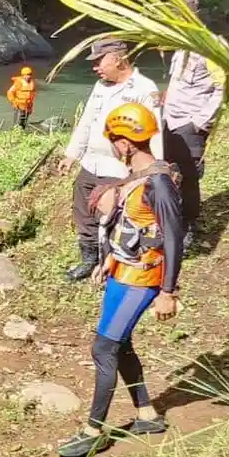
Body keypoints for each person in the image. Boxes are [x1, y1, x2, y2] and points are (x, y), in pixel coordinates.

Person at [58, 103, 182, 457]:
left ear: (127, 143)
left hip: (142, 279)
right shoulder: (139, 178)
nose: (113, 146)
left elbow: (173, 237)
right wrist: (108, 259)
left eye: (114, 140)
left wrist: (168, 292)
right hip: (123, 271)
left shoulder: (158, 183)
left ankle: (93, 430)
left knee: (103, 348)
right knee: (120, 344)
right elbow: (135, 230)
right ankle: (146, 414)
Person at [58, 38, 164, 282]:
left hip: (119, 168)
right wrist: (71, 154)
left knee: (113, 216)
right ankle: (88, 259)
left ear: (118, 59)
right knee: (84, 210)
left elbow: (155, 133)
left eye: (99, 61)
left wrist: (153, 169)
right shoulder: (100, 86)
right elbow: (87, 121)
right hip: (91, 162)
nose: (95, 67)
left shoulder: (144, 89)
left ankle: (113, 262)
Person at [161, 0, 222, 249]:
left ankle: (189, 226)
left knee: (189, 176)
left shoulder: (210, 46)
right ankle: (174, 219)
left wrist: (200, 122)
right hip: (170, 120)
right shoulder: (181, 45)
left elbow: (221, 88)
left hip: (191, 122)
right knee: (169, 172)